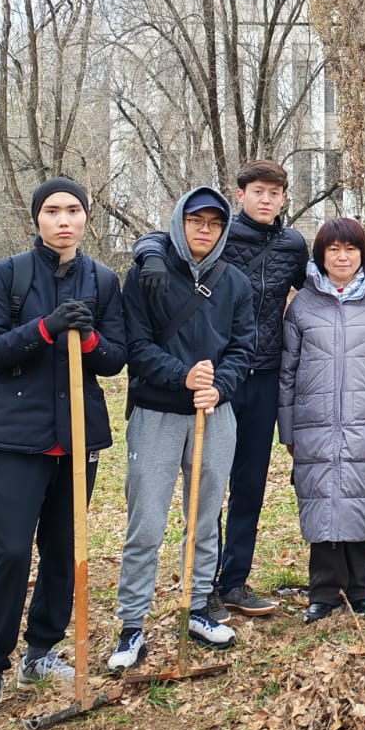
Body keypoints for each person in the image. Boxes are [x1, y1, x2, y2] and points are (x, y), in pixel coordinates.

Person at [0, 177, 126, 724]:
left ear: (86, 218)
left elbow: (115, 358)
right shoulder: (7, 276)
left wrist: (91, 338)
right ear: (38, 218)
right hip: (18, 436)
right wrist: (45, 328)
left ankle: (40, 652)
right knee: (10, 551)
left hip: (77, 437)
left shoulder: (103, 280)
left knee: (63, 549)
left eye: (73, 210)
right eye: (52, 210)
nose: (63, 220)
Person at [134, 159, 307, 619]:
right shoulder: (220, 233)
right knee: (209, 483)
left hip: (264, 373)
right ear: (240, 195)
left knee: (249, 483)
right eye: (258, 191)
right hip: (215, 378)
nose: (266, 199)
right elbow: (160, 238)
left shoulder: (292, 245)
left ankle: (234, 580)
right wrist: (150, 256)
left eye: (274, 192)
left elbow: (322, 281)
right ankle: (202, 585)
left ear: (284, 198)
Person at [108, 188, 254, 671]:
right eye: (196, 221)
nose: (205, 230)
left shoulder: (234, 282)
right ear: (180, 222)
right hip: (157, 412)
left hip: (215, 413)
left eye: (214, 223)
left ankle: (197, 608)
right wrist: (181, 376)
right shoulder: (147, 274)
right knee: (146, 522)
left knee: (206, 517)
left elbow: (243, 347)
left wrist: (220, 387)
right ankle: (132, 625)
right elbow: (135, 345)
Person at [278, 217, 365, 621]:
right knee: (320, 499)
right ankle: (323, 592)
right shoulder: (303, 304)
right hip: (315, 421)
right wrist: (287, 427)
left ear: (362, 254)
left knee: (360, 497)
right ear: (321, 255)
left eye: (350, 249)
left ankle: (359, 590)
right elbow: (288, 371)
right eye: (333, 249)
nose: (342, 257)